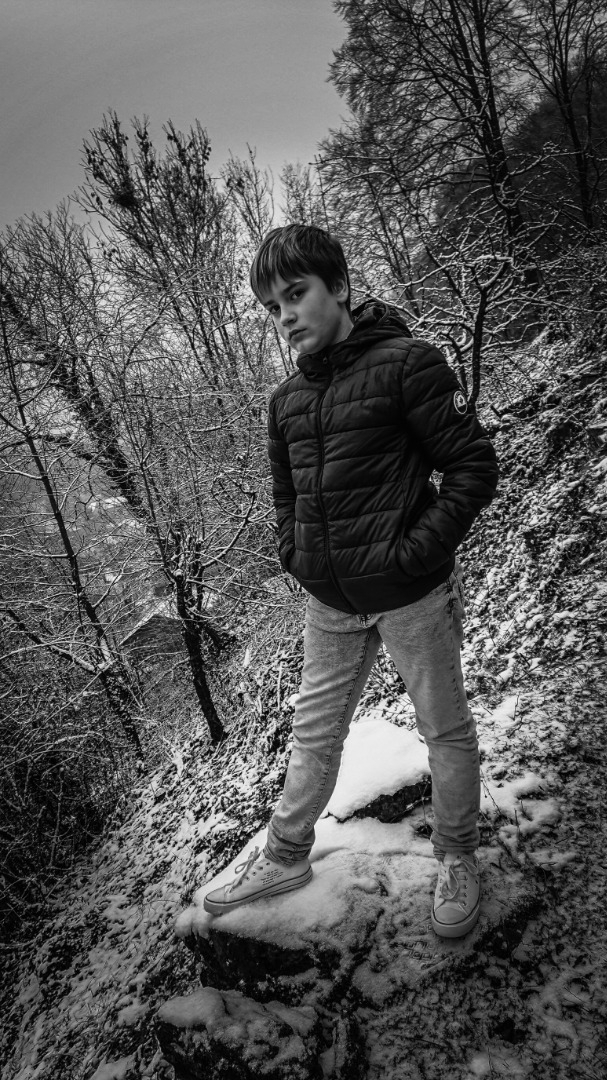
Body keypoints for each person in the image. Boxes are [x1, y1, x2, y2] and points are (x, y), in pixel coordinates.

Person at [204, 224, 498, 938]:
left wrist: (412, 554)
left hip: (411, 595)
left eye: (295, 294)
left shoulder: (407, 364)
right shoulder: (285, 402)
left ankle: (457, 856)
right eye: (272, 306)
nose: (285, 316)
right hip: (329, 603)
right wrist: (297, 555)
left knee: (444, 730)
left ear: (337, 286)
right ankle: (284, 856)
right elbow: (286, 497)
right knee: (313, 734)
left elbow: (471, 467)